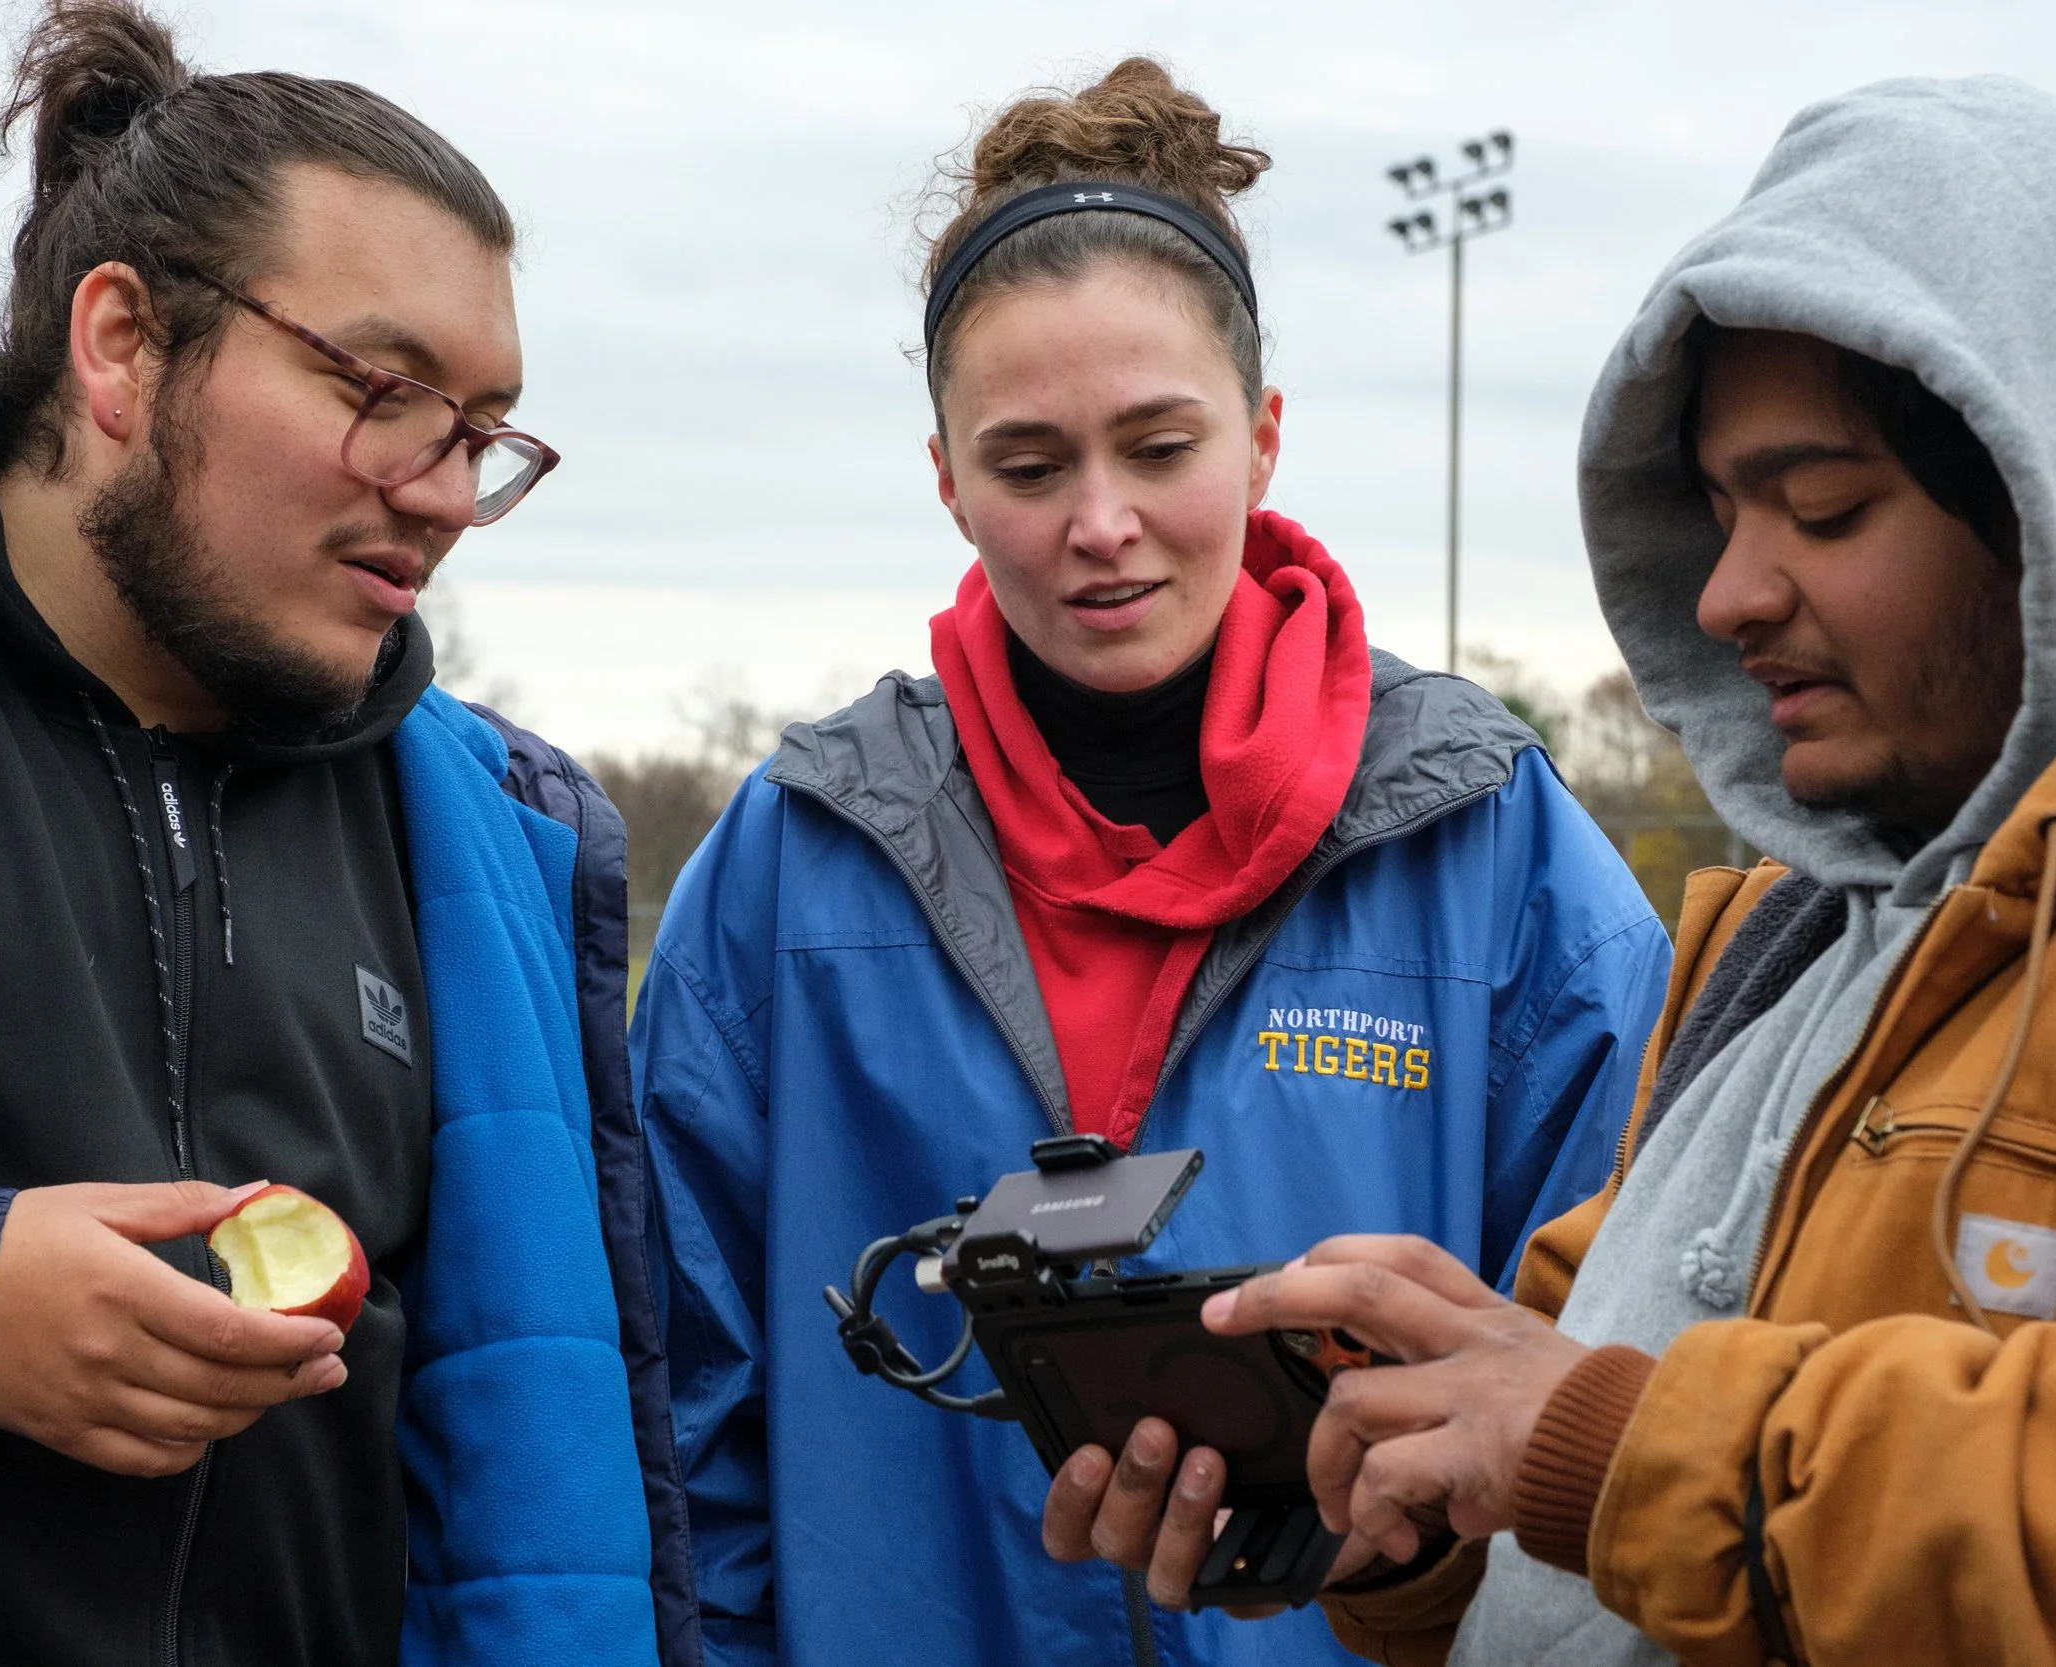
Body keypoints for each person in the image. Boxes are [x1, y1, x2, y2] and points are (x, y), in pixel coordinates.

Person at [632, 58, 1671, 1667]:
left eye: (1160, 446)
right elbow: (681, 1397)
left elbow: (1622, 1371)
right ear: (946, 479)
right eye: (1031, 466)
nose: (1100, 522)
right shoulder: (795, 858)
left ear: (1261, 439)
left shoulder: (1497, 845)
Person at [1201, 77, 2056, 1667]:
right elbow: (1569, 1528)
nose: (1735, 590)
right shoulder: (1779, 945)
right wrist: (1367, 1490)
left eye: (1825, 507)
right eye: (1726, 509)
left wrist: (1629, 1442)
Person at [0, 4, 693, 1664]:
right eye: (387, 392)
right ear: (120, 345)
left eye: (483, 431)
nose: (446, 490)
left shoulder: (500, 838)